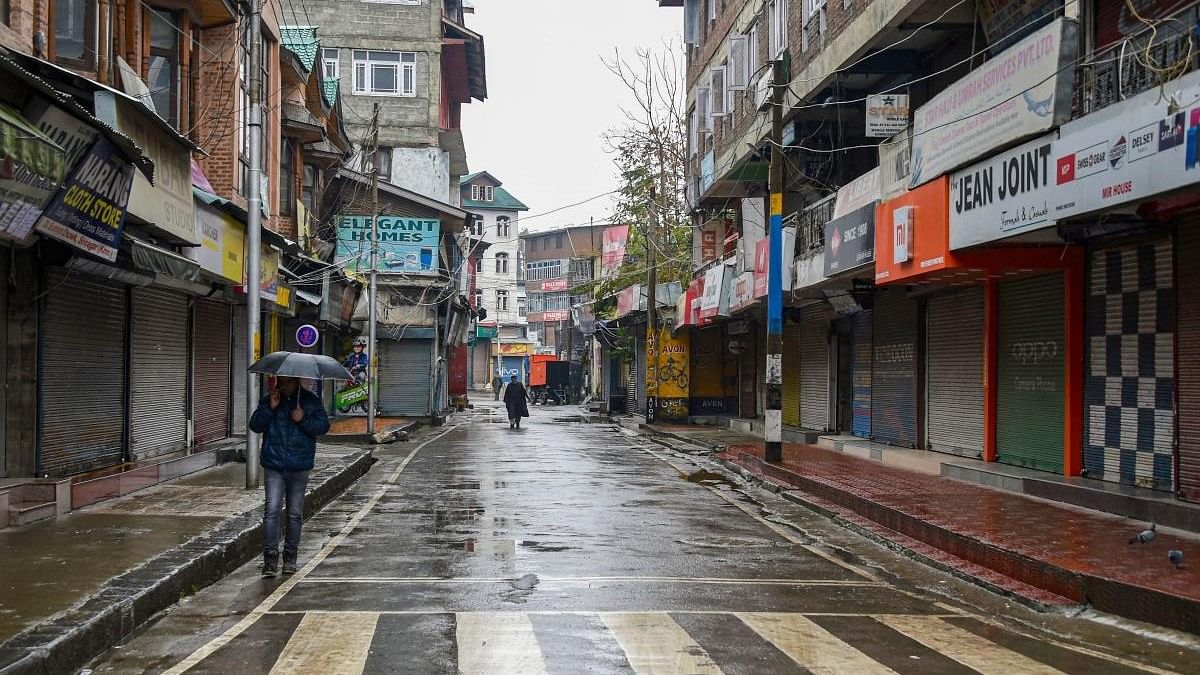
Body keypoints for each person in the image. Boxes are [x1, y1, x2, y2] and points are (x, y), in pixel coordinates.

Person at [249, 376, 330, 577]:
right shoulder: (270, 400)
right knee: (272, 510)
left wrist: (302, 419)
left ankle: (290, 558)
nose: (281, 386)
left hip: (299, 464)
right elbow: (255, 425)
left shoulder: (310, 401)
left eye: (286, 382)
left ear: (295, 382)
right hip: (274, 464)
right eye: (280, 382)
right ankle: (269, 559)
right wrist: (270, 408)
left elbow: (323, 427)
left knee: (294, 513)